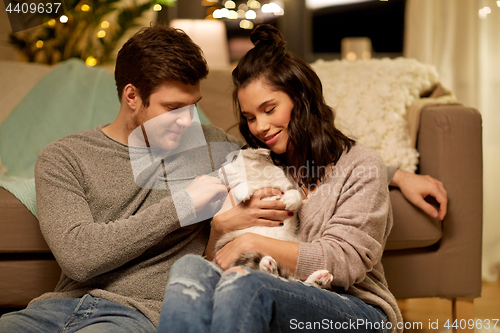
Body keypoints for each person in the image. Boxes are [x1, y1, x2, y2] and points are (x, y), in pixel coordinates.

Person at [0, 24, 446, 333]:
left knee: (226, 281)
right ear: (132, 97)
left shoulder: (210, 145)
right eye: (173, 108)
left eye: (193, 105)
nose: (188, 120)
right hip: (57, 308)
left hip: (137, 315)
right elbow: (80, 257)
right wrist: (187, 208)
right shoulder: (63, 157)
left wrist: (397, 173)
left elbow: (333, 161)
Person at [156, 24, 447, 333]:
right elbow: (222, 258)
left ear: (302, 98)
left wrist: (250, 240)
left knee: (248, 287)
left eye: (270, 109)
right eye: (251, 117)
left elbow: (342, 262)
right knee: (189, 267)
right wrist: (218, 229)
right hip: (263, 283)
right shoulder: (255, 162)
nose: (260, 127)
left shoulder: (362, 165)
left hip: (352, 307)